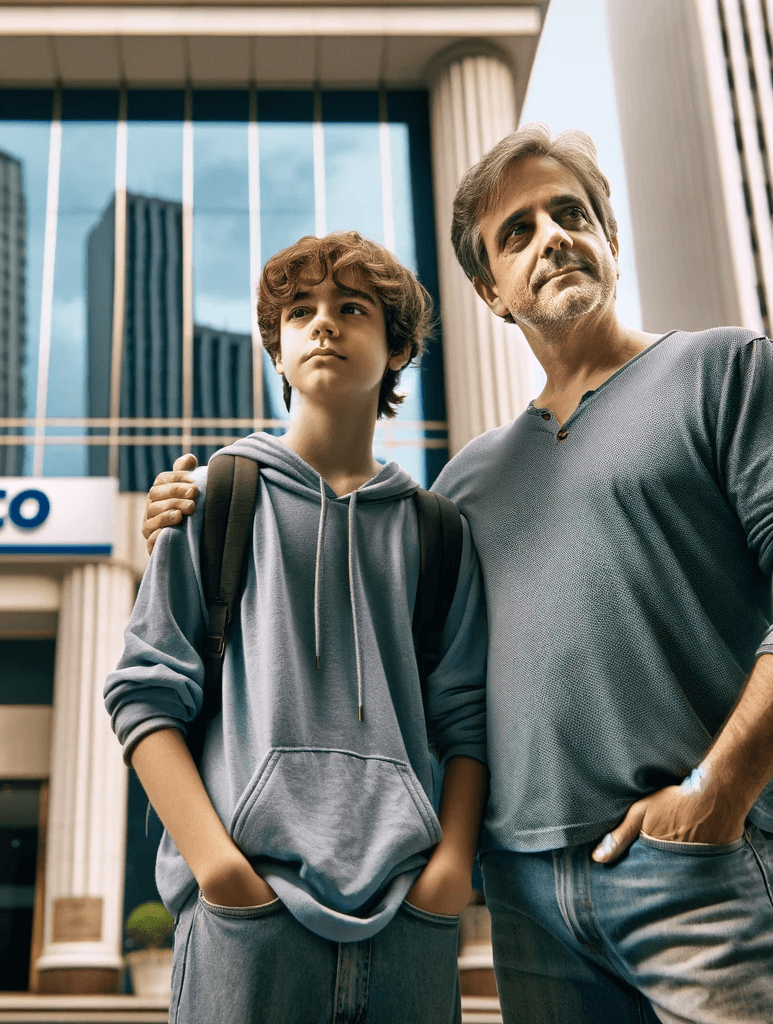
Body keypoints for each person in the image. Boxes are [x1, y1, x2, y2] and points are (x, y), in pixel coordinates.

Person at [142, 125, 773, 1023]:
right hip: (527, 902)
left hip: (691, 864)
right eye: (516, 232)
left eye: (569, 213)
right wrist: (185, 509)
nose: (549, 236)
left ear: (610, 238)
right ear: (490, 291)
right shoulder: (466, 486)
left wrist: (717, 794)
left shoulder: (723, 373)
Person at [104, 231, 488, 1024]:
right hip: (247, 925)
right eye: (301, 310)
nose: (324, 323)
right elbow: (144, 697)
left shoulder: (438, 531)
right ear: (276, 351)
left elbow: (467, 720)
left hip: (409, 930)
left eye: (353, 308)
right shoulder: (212, 498)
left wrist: (448, 874)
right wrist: (220, 871)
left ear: (398, 350)